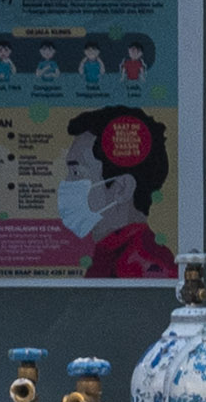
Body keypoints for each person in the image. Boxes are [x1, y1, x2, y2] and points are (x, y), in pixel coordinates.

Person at [56, 106, 178, 279]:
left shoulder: (141, 264)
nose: (67, 183)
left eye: (76, 173)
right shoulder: (109, 254)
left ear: (121, 189)